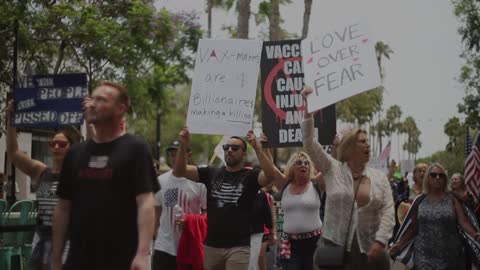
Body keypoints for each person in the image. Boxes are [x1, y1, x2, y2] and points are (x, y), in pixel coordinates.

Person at [52, 81, 159, 270]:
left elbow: (145, 202)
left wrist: (143, 254)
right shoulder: (75, 153)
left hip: (122, 260)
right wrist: (56, 257)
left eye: (101, 100)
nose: (92, 104)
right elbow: (63, 207)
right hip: (78, 261)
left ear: (120, 109)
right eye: (92, 99)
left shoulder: (136, 149)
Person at [301, 86, 395, 270]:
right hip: (335, 249)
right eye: (361, 141)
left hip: (370, 252)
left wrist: (381, 240)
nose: (366, 144)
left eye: (367, 141)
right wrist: (308, 113)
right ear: (350, 145)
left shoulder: (378, 178)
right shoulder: (331, 167)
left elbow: (388, 211)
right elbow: (309, 143)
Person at [172, 126, 283, 270]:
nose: (229, 150)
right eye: (226, 147)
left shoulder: (251, 176)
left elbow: (271, 176)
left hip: (239, 247)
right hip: (211, 246)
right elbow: (179, 171)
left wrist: (257, 148)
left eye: (235, 148)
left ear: (243, 154)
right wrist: (183, 145)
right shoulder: (210, 172)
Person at [5, 100, 81, 270]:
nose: (55, 147)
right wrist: (10, 118)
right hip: (42, 241)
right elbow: (14, 153)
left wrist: (90, 120)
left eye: (61, 144)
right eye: (52, 143)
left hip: (68, 242)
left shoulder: (79, 174)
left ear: (72, 147)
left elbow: (95, 147)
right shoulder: (41, 171)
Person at [390, 163, 480, 270]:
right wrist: (399, 244)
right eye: (433, 175)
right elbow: (413, 228)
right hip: (423, 256)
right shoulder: (419, 200)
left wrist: (475, 235)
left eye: (440, 175)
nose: (437, 178)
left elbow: (463, 221)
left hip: (450, 256)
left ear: (445, 179)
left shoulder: (453, 199)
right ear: (428, 178)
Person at [152, 140, 207, 270]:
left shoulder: (200, 183)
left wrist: (190, 220)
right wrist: (155, 235)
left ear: (188, 155)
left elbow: (207, 214)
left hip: (189, 247)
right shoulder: (160, 181)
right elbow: (156, 213)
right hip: (164, 248)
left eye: (177, 154)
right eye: (171, 154)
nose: (173, 158)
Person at [276, 152, 324, 270]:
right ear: (292, 167)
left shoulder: (316, 184)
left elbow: (329, 168)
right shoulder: (284, 185)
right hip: (290, 244)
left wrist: (336, 148)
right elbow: (270, 170)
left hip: (315, 243)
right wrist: (260, 148)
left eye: (306, 163)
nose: (303, 165)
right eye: (299, 162)